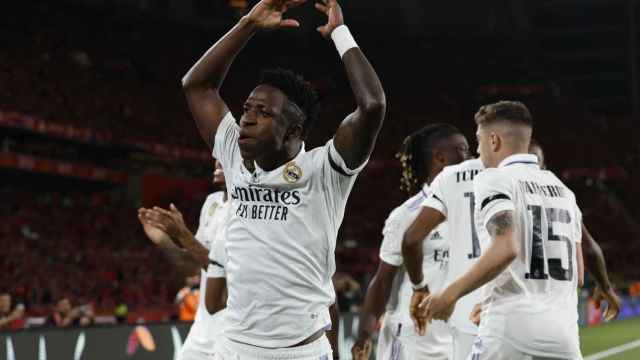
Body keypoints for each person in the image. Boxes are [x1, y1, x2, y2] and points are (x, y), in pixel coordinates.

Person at [181, 0, 386, 357]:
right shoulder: (233, 154)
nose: (246, 118)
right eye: (246, 109)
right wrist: (248, 24)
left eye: (263, 113)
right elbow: (196, 85)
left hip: (298, 351)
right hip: (234, 348)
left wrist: (339, 32)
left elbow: (372, 106)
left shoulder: (325, 170)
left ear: (293, 130)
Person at [423, 101, 583, 359]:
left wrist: (449, 295)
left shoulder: (495, 178)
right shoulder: (564, 190)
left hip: (508, 331)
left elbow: (506, 247)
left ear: (493, 140)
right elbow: (580, 273)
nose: (477, 150)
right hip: (564, 336)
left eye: (478, 140)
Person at [352, 124, 468, 360]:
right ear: (440, 157)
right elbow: (383, 280)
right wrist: (364, 335)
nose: (470, 157)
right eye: (463, 150)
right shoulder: (407, 214)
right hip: (412, 339)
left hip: (455, 338)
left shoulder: (471, 211)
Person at [139, 160, 232, 360]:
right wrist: (163, 239)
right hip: (203, 330)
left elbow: (221, 267)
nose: (217, 160)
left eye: (226, 153)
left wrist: (183, 234)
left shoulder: (249, 210)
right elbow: (192, 265)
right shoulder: (212, 202)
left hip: (232, 330)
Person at [402, 145, 485, 359]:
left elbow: (411, 239)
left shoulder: (452, 178)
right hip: (517, 312)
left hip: (464, 314)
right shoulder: (516, 177)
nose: (472, 149)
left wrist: (420, 288)